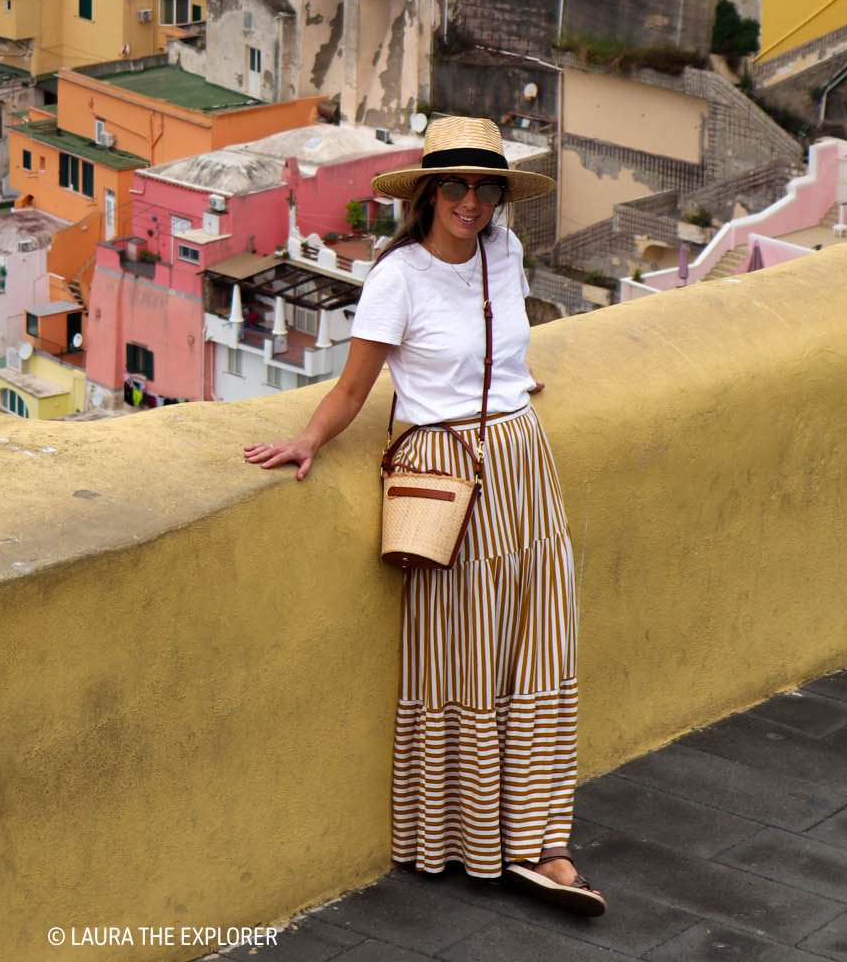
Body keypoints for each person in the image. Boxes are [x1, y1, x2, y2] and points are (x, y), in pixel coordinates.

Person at [244, 115, 604, 918]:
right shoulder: (397, 277)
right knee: (468, 656)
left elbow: (501, 341)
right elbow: (354, 388)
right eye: (455, 185)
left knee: (542, 644)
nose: (470, 202)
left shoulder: (503, 254)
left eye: (484, 186)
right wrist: (305, 440)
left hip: (523, 465)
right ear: (429, 193)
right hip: (446, 475)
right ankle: (469, 837)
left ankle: (543, 838)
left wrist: (506, 378)